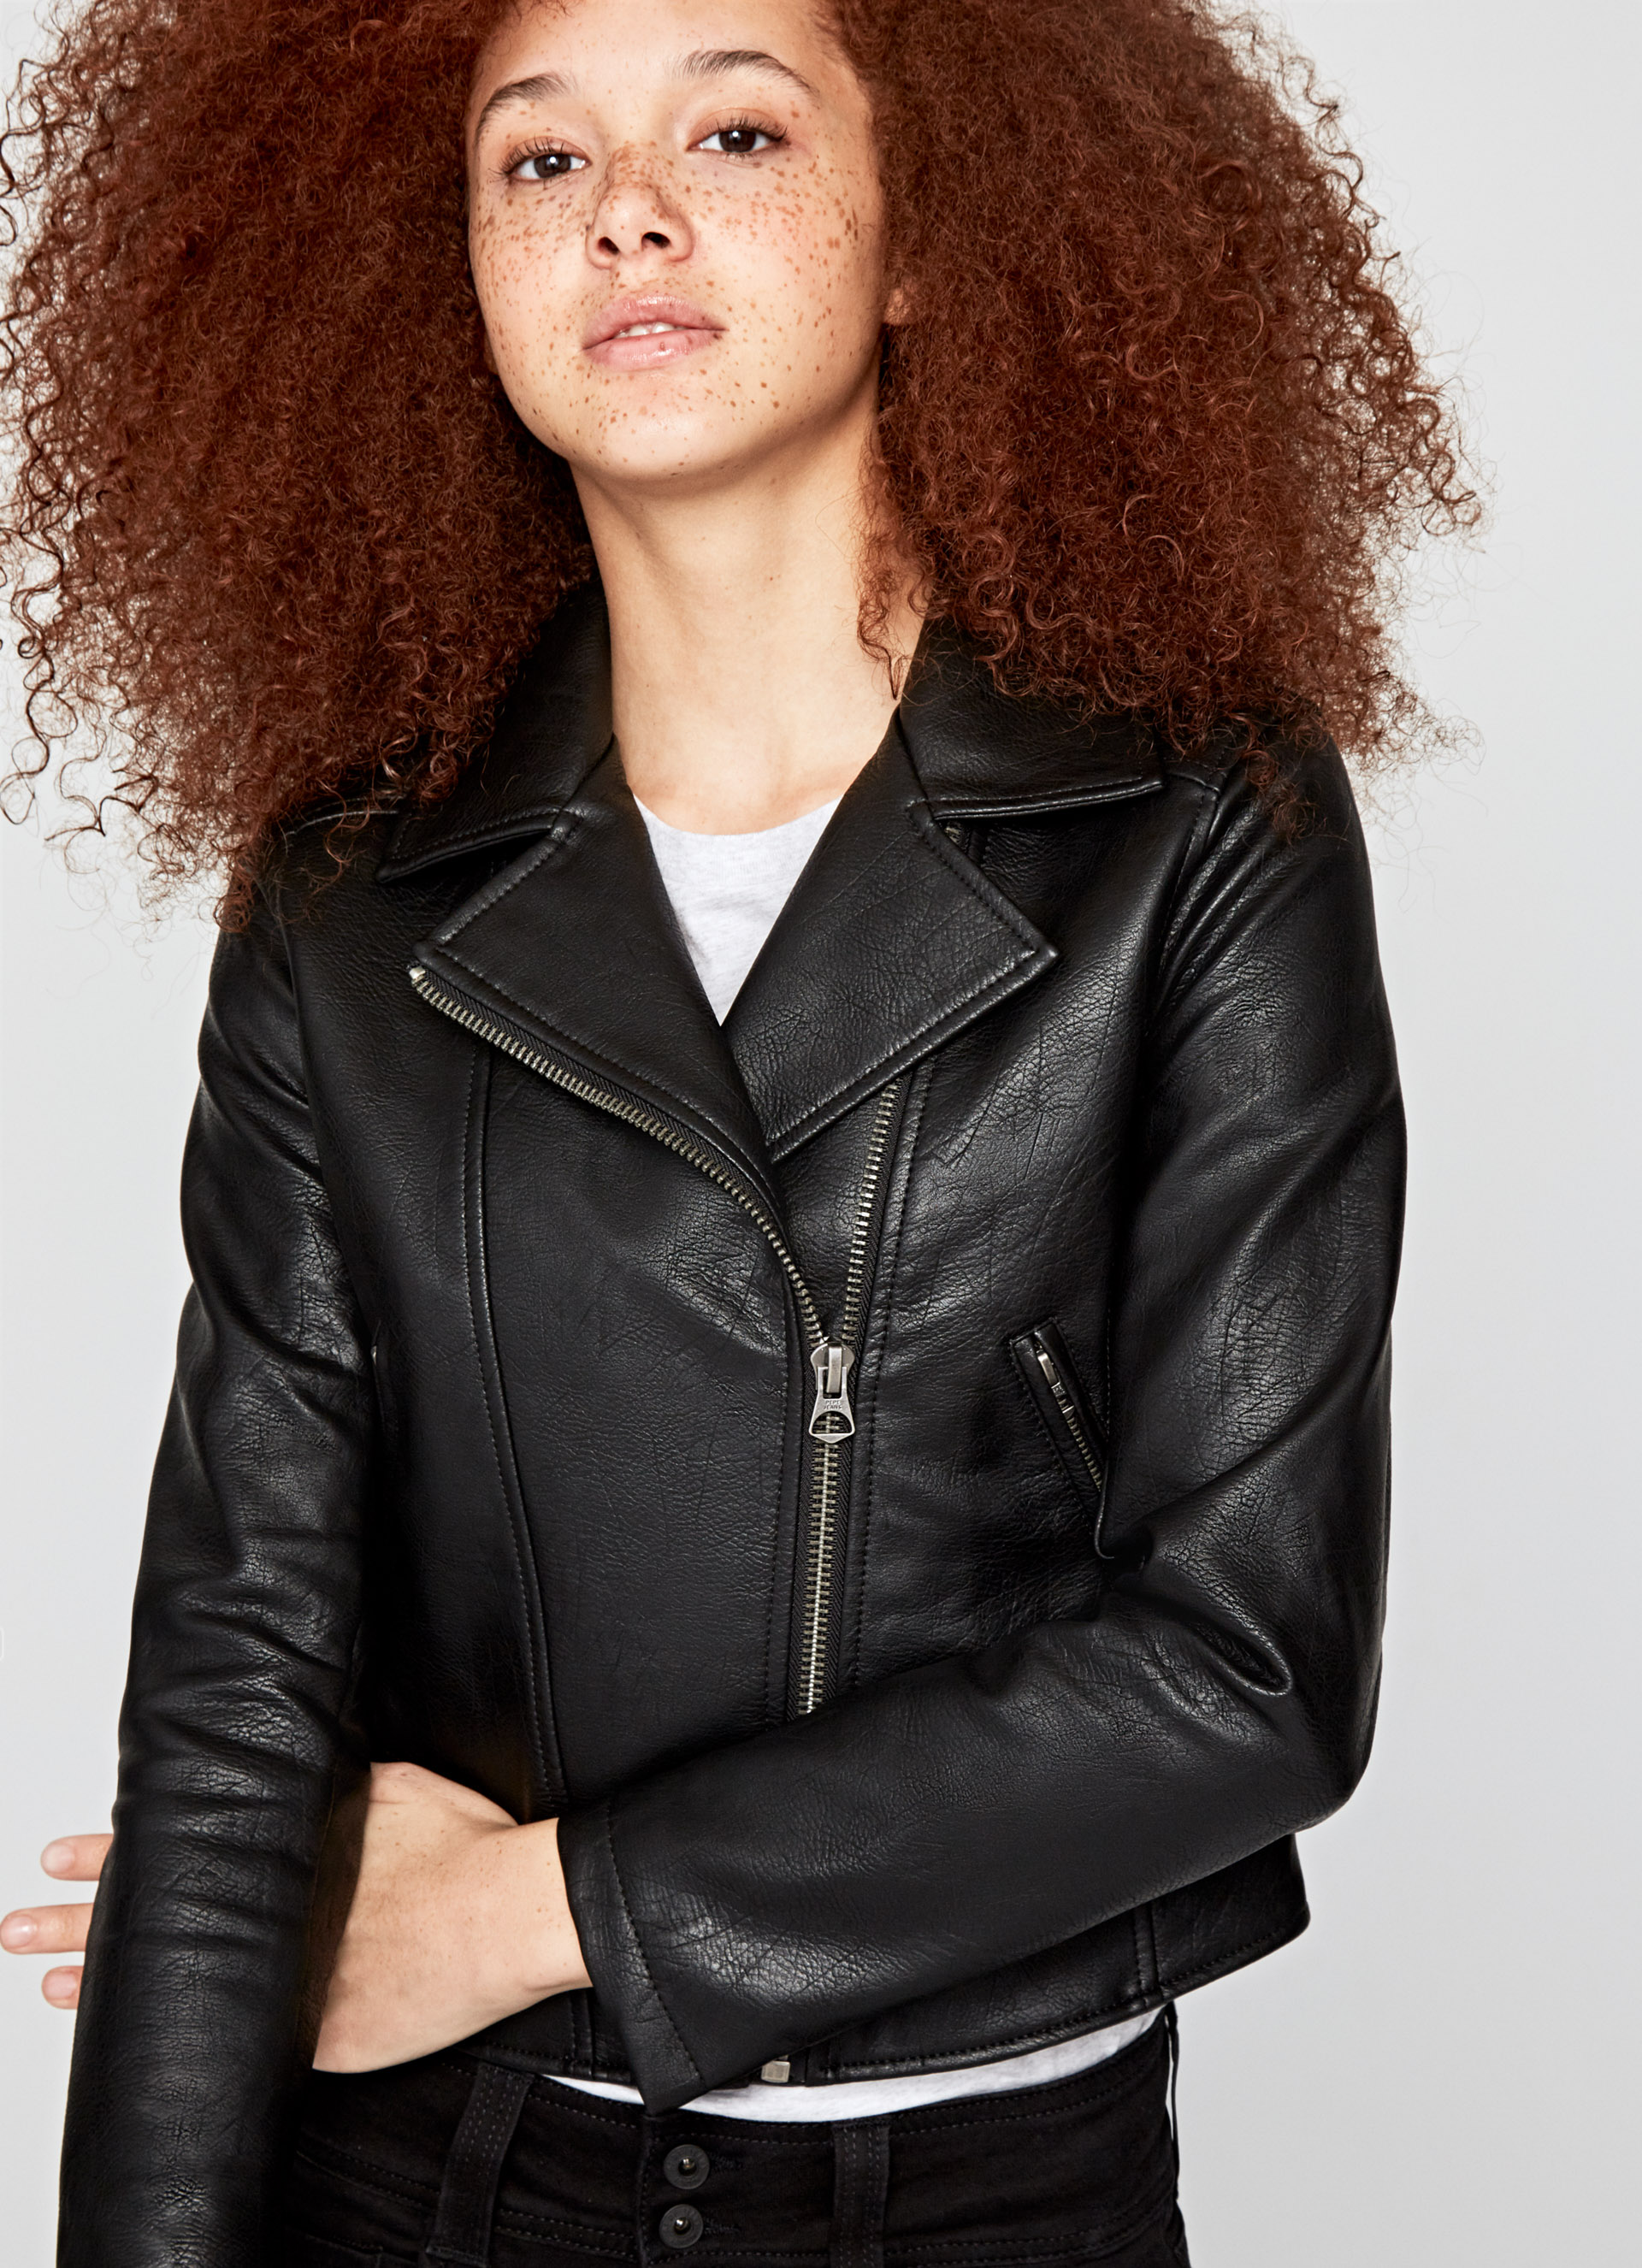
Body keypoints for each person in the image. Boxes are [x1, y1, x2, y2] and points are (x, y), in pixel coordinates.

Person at [0, 0, 1468, 2259]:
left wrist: (531, 1911)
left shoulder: (1198, 825)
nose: (631, 214)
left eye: (741, 132)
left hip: (989, 2198)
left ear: (924, 231)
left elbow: (1242, 1667)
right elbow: (238, 1676)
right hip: (428, 2183)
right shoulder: (345, 901)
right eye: (540, 161)